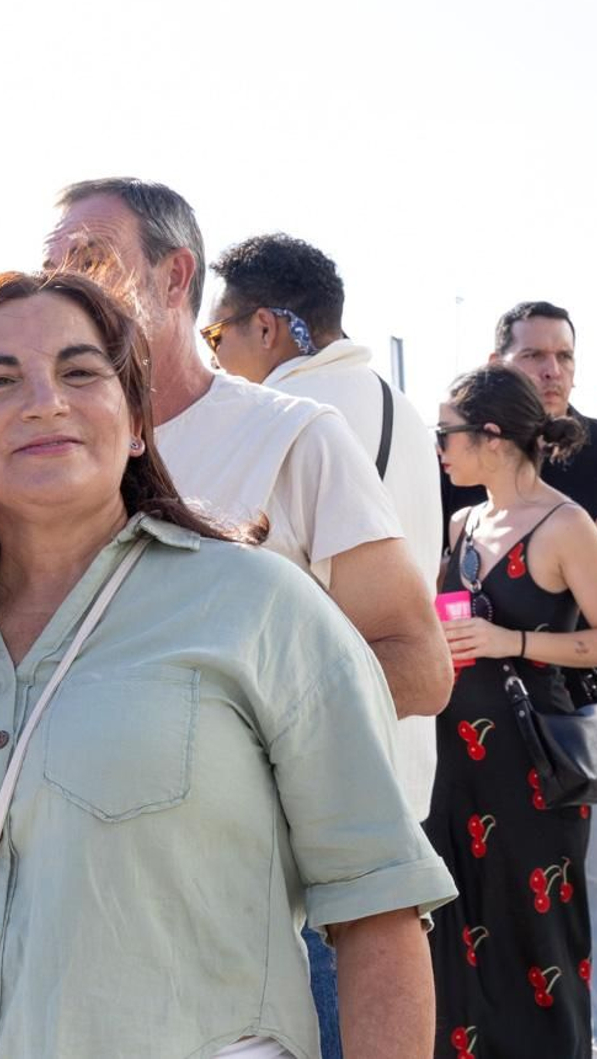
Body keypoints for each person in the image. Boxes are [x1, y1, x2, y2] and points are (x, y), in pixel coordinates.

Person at [0, 271, 457, 1059]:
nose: (45, 401)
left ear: (137, 420)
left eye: (79, 372)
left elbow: (378, 905)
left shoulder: (260, 606)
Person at [46, 179, 452, 1059]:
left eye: (90, 260)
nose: (62, 288)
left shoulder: (294, 438)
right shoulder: (48, 453)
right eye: (51, 268)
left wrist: (231, 734)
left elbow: (421, 666)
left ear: (174, 276)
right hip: (96, 928)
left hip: (279, 923)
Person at [441, 302, 597, 1059]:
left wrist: (510, 640)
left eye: (448, 433)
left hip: (533, 761)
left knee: (539, 933)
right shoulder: (464, 524)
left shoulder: (564, 523)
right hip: (456, 757)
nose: (439, 448)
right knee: (464, 928)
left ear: (492, 437)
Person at [203, 232, 444, 819]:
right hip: (404, 755)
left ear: (266, 328)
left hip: (312, 769)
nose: (210, 358)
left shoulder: (271, 423)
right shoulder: (403, 408)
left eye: (214, 336)